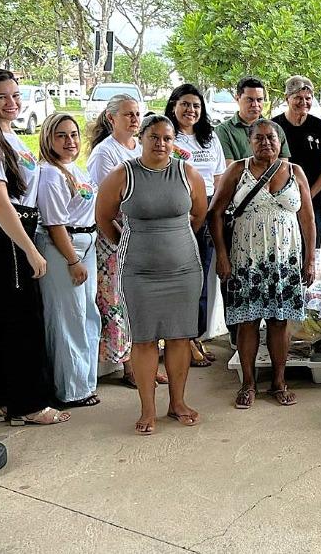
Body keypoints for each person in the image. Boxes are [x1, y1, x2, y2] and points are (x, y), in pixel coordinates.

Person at [0, 69, 69, 426]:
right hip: (4, 234)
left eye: (15, 95)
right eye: (2, 98)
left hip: (12, 231)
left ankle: (0, 400)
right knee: (22, 320)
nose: (12, 103)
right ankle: (27, 405)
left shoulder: (10, 136)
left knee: (4, 317)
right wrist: (29, 248)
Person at [95, 115, 208, 436]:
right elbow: (104, 217)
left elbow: (198, 214)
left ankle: (178, 402)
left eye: (168, 138)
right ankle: (148, 409)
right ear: (141, 138)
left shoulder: (187, 173)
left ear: (175, 142)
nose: (161, 144)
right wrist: (129, 243)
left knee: (179, 337)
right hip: (139, 273)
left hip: (184, 270)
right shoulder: (123, 175)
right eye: (154, 137)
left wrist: (174, 241)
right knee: (143, 341)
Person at [210, 120, 316, 409]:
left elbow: (307, 218)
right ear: (249, 141)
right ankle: (248, 383)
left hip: (285, 261)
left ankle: (279, 382)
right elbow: (215, 214)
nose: (265, 143)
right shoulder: (237, 171)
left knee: (280, 322)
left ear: (280, 141)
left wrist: (310, 260)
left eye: (271, 137)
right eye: (259, 138)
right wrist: (222, 255)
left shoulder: (295, 172)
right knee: (247, 322)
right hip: (247, 259)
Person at [86, 94, 167, 387]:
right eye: (127, 115)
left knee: (144, 302)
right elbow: (105, 203)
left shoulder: (140, 147)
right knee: (118, 302)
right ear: (111, 119)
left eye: (137, 114)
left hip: (147, 235)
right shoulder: (104, 154)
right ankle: (130, 367)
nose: (134, 119)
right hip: (117, 237)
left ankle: (147, 362)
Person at [35, 113, 101, 409]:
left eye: (73, 134)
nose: (69, 141)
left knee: (87, 316)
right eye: (61, 135)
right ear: (48, 138)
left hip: (87, 245)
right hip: (66, 249)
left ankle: (85, 383)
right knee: (67, 319)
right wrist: (73, 260)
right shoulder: (50, 174)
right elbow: (54, 224)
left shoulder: (77, 170)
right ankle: (71, 389)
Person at [165, 84, 225, 367]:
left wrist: (214, 211)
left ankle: (194, 335)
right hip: (178, 210)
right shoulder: (167, 136)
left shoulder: (210, 138)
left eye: (196, 106)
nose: (191, 110)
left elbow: (220, 176)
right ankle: (179, 338)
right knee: (178, 277)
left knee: (201, 277)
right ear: (174, 105)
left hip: (208, 208)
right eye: (186, 104)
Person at [272, 75, 321, 249]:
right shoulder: (275, 127)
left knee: (310, 253)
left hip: (314, 202)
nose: (303, 102)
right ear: (287, 98)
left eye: (308, 98)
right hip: (281, 202)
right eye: (298, 98)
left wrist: (308, 195)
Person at [215, 76, 288, 166]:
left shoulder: (275, 129)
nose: (255, 104)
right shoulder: (223, 131)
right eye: (250, 99)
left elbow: (283, 167)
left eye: (259, 100)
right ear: (237, 99)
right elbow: (229, 169)